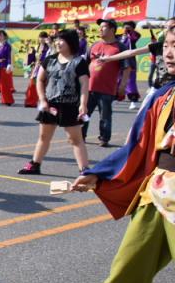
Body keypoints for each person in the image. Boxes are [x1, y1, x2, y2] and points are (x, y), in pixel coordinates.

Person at [71, 26, 175, 283]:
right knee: (130, 264)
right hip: (159, 190)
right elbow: (137, 145)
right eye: (168, 45)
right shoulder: (163, 95)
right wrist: (98, 174)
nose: (169, 52)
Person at [17, 29, 90, 176]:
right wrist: (42, 99)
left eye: (61, 40)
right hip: (50, 104)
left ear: (70, 42)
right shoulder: (50, 59)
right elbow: (40, 79)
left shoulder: (79, 62)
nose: (57, 43)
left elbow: (84, 85)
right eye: (56, 40)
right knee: (44, 137)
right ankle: (35, 164)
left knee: (75, 139)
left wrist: (83, 104)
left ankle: (85, 170)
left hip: (70, 105)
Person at [84, 18, 127, 147]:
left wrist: (122, 86)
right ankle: (80, 136)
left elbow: (127, 68)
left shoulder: (120, 47)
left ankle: (104, 138)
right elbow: (85, 64)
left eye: (103, 27)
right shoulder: (94, 45)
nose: (100, 29)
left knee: (105, 115)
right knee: (84, 113)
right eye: (100, 27)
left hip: (107, 89)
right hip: (89, 87)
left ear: (112, 29)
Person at [24, 32, 52, 107]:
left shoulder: (49, 48)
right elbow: (31, 57)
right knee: (32, 84)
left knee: (44, 85)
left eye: (44, 37)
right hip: (36, 68)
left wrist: (49, 44)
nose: (42, 39)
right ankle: (30, 102)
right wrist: (28, 49)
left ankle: (43, 101)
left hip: (45, 68)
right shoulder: (36, 47)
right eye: (40, 37)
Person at [121, 21, 142, 108]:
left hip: (130, 61)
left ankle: (133, 100)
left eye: (128, 27)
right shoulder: (119, 37)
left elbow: (135, 36)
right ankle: (116, 97)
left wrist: (130, 32)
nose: (125, 29)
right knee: (117, 80)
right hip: (119, 61)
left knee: (130, 81)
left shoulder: (134, 36)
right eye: (124, 27)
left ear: (133, 28)